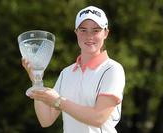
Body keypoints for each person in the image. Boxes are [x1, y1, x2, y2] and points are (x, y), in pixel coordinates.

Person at [22, 5, 125, 133]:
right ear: (76, 32)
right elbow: (46, 120)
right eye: (83, 30)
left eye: (96, 30)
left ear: (106, 33)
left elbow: (98, 118)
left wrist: (58, 101)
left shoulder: (112, 70)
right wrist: (36, 80)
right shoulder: (66, 73)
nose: (89, 36)